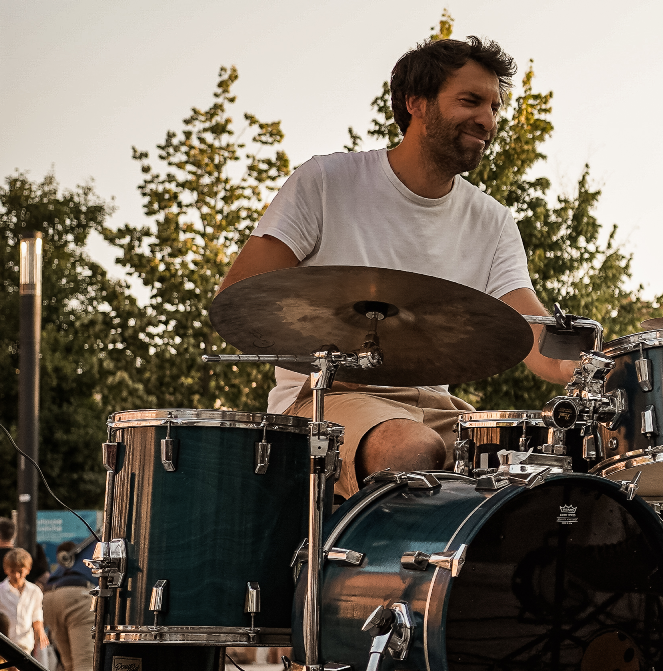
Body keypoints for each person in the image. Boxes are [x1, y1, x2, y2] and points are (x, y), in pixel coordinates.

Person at [219, 36, 579, 498]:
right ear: (416, 104)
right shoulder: (327, 182)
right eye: (470, 101)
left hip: (436, 403)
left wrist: (606, 368)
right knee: (412, 447)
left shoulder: (492, 220)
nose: (487, 120)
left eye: (494, 106)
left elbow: (535, 335)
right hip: (327, 395)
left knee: (546, 475)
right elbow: (244, 296)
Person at [41, 535, 99, 671]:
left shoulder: (77, 556)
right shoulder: (102, 547)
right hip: (77, 593)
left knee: (69, 665)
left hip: (50, 595)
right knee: (85, 663)